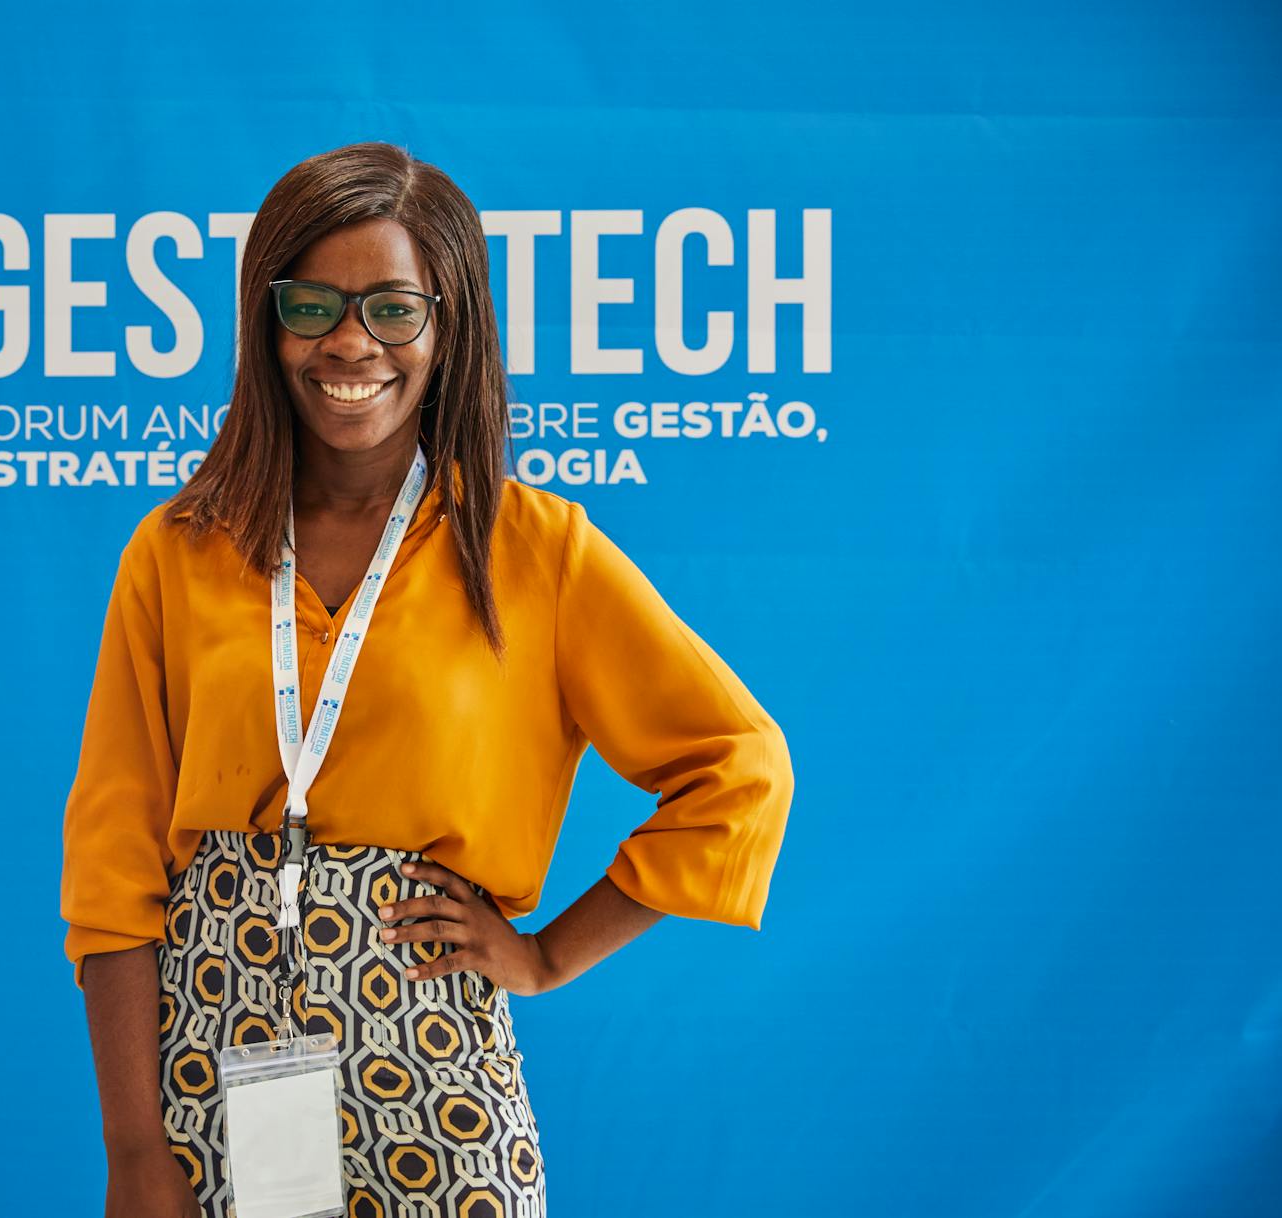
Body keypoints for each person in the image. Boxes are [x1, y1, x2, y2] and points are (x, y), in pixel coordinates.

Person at [61, 141, 795, 1218]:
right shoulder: (177, 549)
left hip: (431, 1057)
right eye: (310, 304)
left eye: (392, 308)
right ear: (267, 323)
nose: (350, 341)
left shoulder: (532, 549)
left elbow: (738, 770)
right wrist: (133, 1152)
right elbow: (113, 864)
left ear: (448, 327)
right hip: (219, 1051)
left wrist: (542, 956)